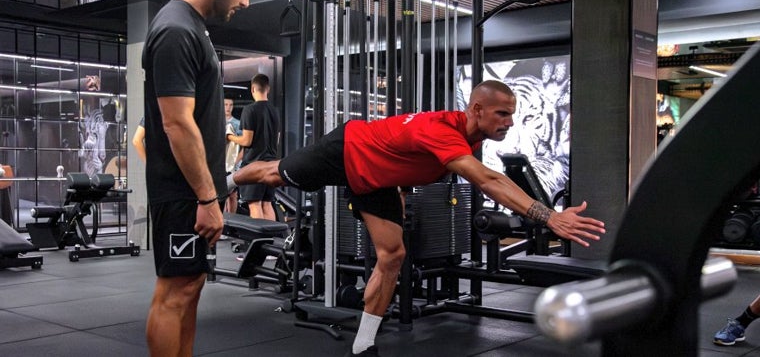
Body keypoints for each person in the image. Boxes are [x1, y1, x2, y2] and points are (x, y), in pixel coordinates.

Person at [228, 80, 606, 356]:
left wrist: (401, 194)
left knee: (392, 256)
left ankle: (363, 346)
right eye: (502, 113)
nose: (509, 121)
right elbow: (489, 180)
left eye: (512, 114)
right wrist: (547, 217)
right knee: (272, 173)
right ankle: (221, 182)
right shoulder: (442, 131)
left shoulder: (469, 139)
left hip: (377, 182)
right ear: (476, 109)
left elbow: (410, 159)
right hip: (347, 149)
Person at [141, 0, 257, 357]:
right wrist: (208, 197)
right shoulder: (176, 29)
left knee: (190, 286)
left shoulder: (191, 26)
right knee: (175, 291)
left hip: (193, 193)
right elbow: (176, 124)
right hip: (183, 193)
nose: (246, 1)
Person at [227, 74, 280, 221]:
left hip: (254, 166)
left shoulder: (249, 110)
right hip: (270, 164)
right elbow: (276, 139)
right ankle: (272, 241)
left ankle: (259, 241)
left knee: (255, 204)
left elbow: (246, 141)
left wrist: (229, 137)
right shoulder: (274, 111)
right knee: (267, 204)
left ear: (252, 89)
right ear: (267, 89)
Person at [224, 98, 242, 213]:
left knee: (233, 194)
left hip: (233, 165)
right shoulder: (215, 122)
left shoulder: (238, 124)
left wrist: (236, 161)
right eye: (226, 104)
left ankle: (232, 222)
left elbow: (244, 145)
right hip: (218, 163)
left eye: (231, 105)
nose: (228, 107)